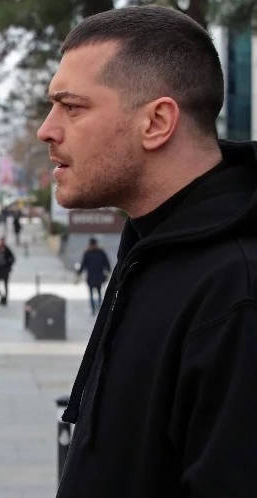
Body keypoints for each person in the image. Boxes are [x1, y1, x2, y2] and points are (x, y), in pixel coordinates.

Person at [37, 6, 257, 497]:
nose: (46, 129)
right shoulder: (151, 249)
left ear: (157, 122)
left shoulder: (236, 291)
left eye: (72, 107)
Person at [76, 237, 111, 315]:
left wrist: (79, 273)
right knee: (99, 293)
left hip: (91, 277)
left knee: (92, 293)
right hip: (99, 276)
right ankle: (98, 308)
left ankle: (93, 309)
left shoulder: (88, 253)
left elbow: (83, 264)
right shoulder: (101, 252)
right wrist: (108, 270)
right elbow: (107, 263)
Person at [0, 237, 15, 306]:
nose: (1, 243)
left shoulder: (7, 249)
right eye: (0, 241)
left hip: (5, 270)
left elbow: (13, 258)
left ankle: (5, 298)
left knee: (5, 285)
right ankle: (1, 296)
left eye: (2, 241)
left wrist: (8, 265)